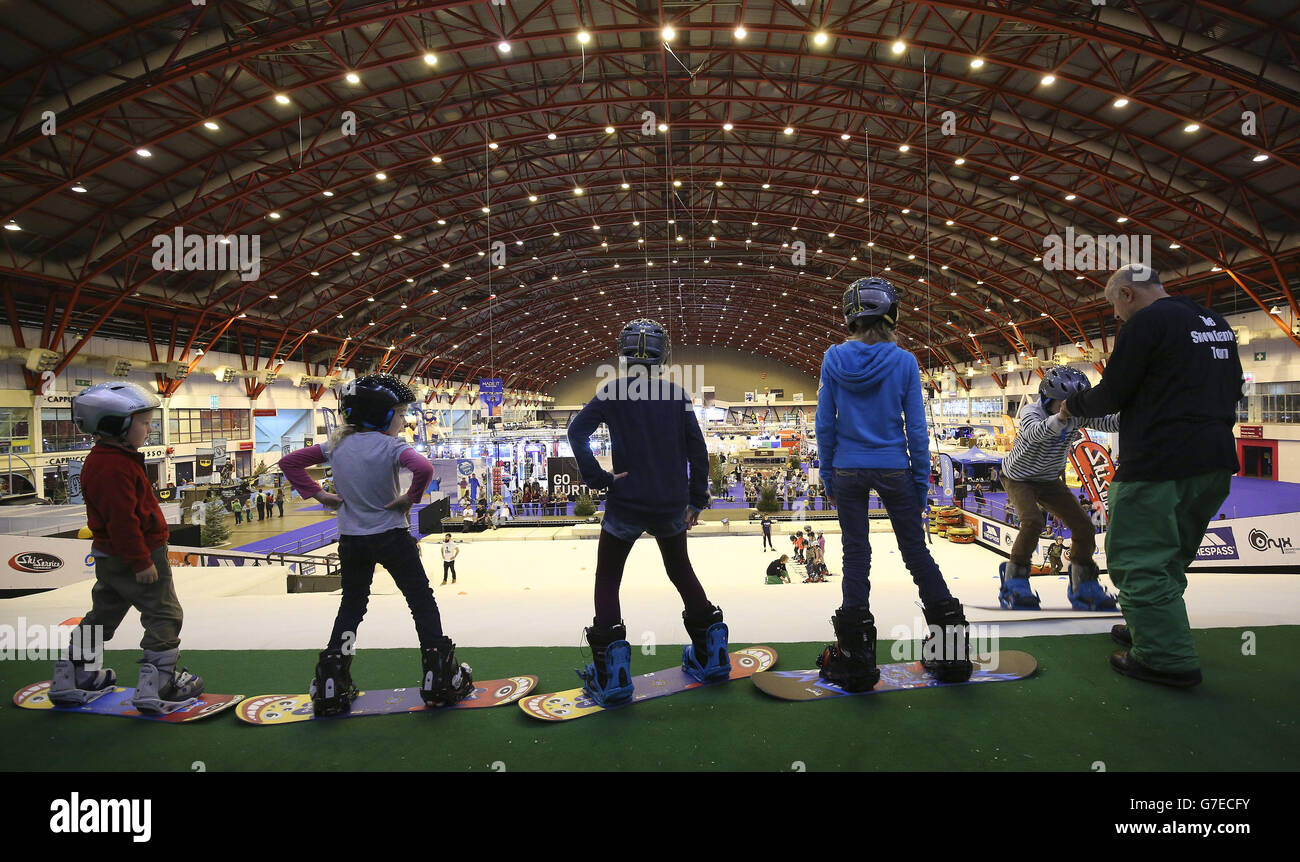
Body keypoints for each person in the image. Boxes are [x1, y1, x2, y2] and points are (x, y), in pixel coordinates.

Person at [1062, 263, 1242, 687]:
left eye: (1115, 308)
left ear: (1127, 294)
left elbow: (1112, 393)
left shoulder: (1146, 323)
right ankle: (1150, 627)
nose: (1117, 317)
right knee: (1170, 556)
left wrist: (1072, 407)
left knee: (1138, 559)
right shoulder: (1214, 323)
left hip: (1159, 464)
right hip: (1215, 462)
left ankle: (1165, 658)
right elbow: (1235, 386)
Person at [279, 374, 473, 713]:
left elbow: (289, 463)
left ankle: (332, 679)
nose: (404, 421)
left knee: (352, 605)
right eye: (401, 414)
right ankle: (438, 675)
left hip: (351, 541)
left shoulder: (335, 446)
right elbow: (423, 468)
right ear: (381, 415)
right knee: (420, 600)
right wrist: (410, 497)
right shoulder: (391, 446)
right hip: (391, 536)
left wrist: (319, 494)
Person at [815, 276, 971, 691]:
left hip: (847, 469)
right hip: (894, 468)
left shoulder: (833, 359)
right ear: (892, 315)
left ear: (850, 317)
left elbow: (824, 423)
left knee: (855, 555)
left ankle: (856, 661)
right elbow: (916, 430)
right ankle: (952, 653)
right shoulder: (904, 362)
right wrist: (920, 482)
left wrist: (827, 474)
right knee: (916, 553)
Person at [567, 318, 726, 706]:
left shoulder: (612, 392)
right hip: (670, 503)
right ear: (664, 356)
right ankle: (712, 655)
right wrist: (696, 499)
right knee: (680, 571)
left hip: (626, 502)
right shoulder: (676, 395)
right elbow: (697, 450)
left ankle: (613, 676)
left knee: (609, 577)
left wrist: (599, 478)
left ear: (622, 356)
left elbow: (576, 432)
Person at [50, 382, 205, 713]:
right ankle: (159, 684)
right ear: (115, 424)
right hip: (139, 553)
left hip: (110, 557)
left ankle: (75, 675)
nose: (150, 429)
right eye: (144, 423)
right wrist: (140, 561)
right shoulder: (115, 466)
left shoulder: (105, 459)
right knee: (163, 613)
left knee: (103, 613)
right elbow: (122, 520)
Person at [996, 366, 1120, 610]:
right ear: (1047, 399)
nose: (1067, 408)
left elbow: (1110, 423)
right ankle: (1014, 579)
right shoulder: (1031, 411)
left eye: (1072, 403)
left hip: (1049, 479)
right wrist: (1061, 418)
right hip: (1018, 477)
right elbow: (1034, 433)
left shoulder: (1078, 414)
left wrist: (1139, 409)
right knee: (1033, 522)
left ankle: (1083, 584)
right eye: (1061, 403)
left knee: (1084, 526)